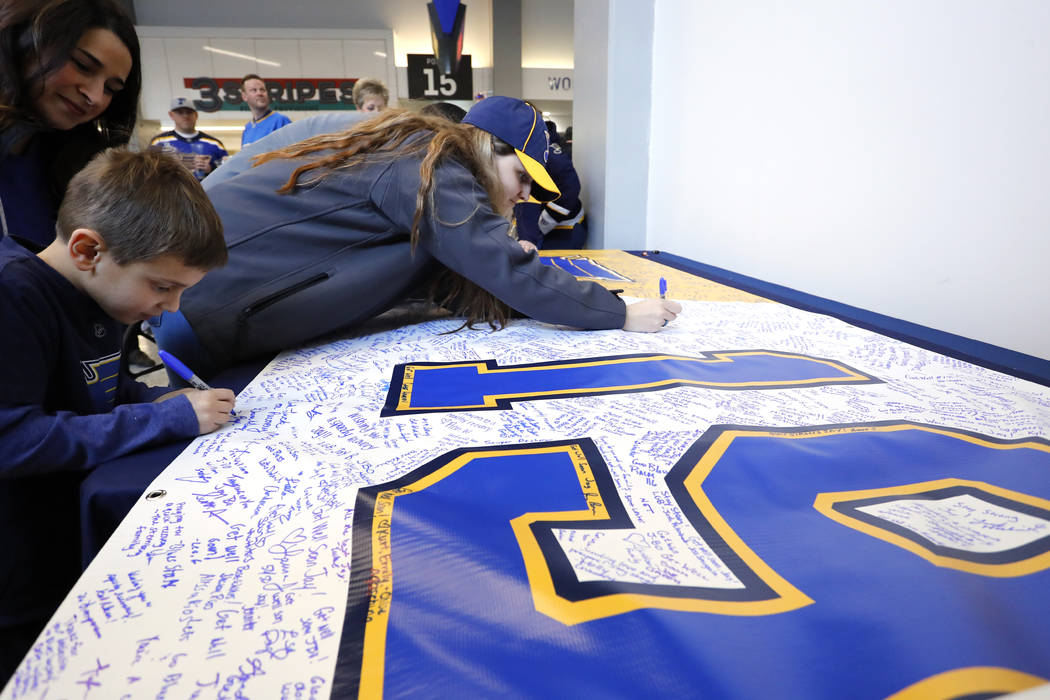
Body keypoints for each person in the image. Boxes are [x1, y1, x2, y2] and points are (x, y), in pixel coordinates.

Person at [151, 96, 681, 381]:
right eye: (522, 180)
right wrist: (620, 314)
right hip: (208, 316)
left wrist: (490, 266)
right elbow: (505, 269)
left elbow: (449, 274)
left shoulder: (422, 162)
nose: (523, 197)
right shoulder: (430, 161)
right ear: (488, 148)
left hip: (223, 316)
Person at [0, 148, 234, 683]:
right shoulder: (15, 297)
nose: (171, 308)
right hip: (19, 578)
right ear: (88, 250)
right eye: (162, 286)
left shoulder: (100, 294)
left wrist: (155, 400)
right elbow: (11, 437)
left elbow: (96, 384)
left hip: (65, 540)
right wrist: (163, 421)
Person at [0, 0, 141, 252]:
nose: (95, 96)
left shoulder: (69, 167)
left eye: (111, 89)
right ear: (26, 43)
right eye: (82, 65)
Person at [514, 118, 587, 251]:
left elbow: (570, 188)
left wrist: (532, 234)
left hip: (566, 225)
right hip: (543, 222)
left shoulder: (549, 157)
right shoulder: (525, 153)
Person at [148, 96, 228, 181]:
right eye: (180, 112)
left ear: (196, 115)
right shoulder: (158, 142)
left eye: (189, 112)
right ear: (171, 115)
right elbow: (148, 172)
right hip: (172, 192)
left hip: (207, 192)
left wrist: (211, 169)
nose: (185, 116)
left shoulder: (214, 144)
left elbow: (228, 172)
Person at [240, 73, 291, 147]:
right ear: (244, 96)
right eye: (254, 90)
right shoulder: (247, 129)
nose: (259, 93)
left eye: (262, 90)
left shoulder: (280, 121)